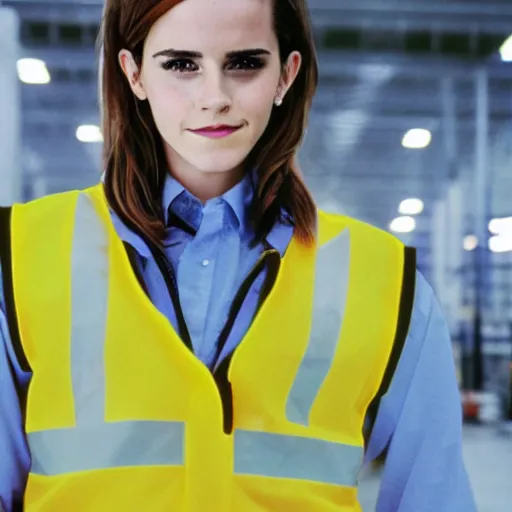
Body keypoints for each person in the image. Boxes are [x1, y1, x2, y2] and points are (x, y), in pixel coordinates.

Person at [0, 0, 477, 510]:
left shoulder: (385, 283)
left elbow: (434, 496)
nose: (214, 98)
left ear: (286, 75)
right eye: (181, 64)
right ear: (134, 73)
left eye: (244, 63)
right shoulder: (22, 256)